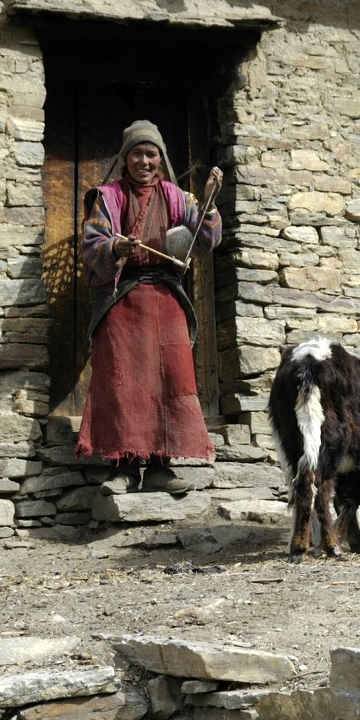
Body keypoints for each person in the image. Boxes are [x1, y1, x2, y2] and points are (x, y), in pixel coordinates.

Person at [76, 119, 223, 495]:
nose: (144, 161)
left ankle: (160, 466)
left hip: (165, 298)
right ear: (125, 159)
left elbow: (204, 240)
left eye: (151, 154)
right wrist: (114, 248)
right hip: (121, 300)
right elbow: (91, 244)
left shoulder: (177, 196)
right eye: (137, 154)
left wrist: (207, 203)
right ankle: (123, 468)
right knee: (121, 383)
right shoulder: (107, 197)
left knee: (169, 378)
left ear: (160, 159)